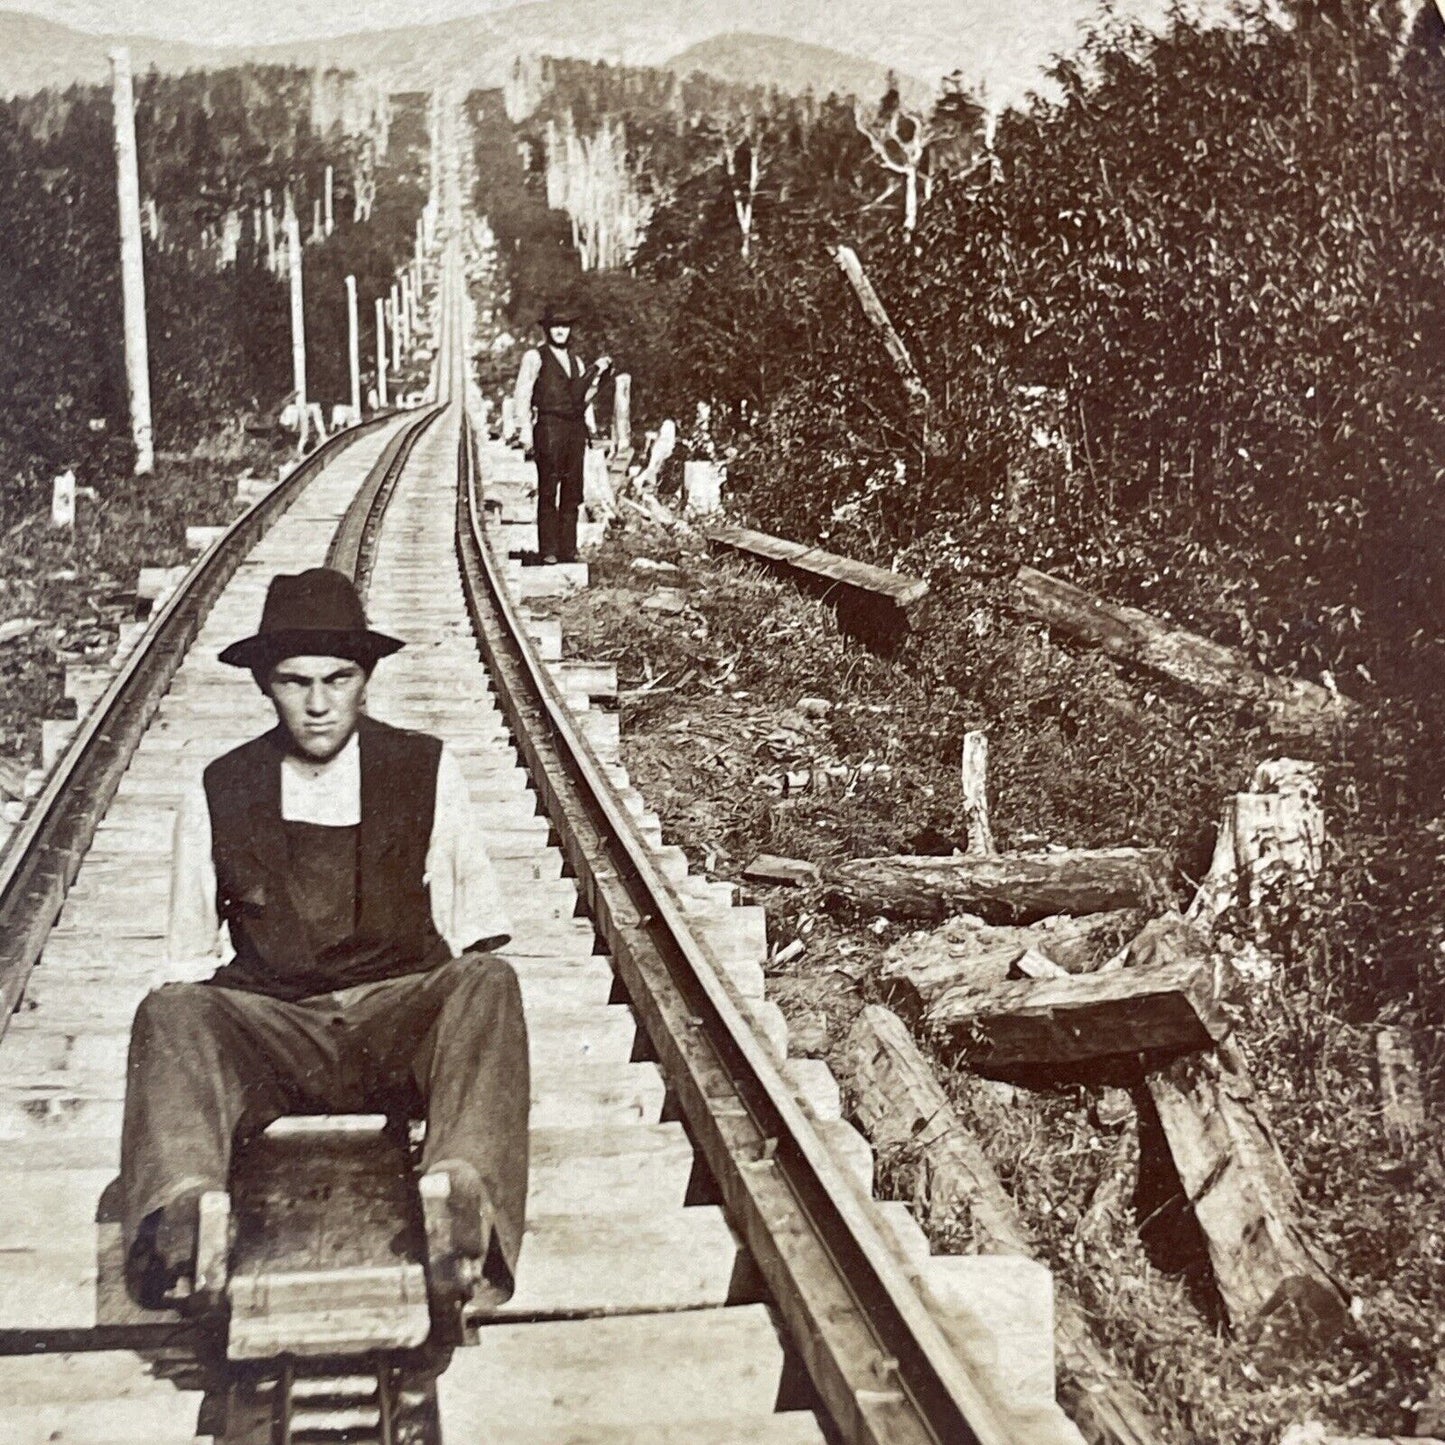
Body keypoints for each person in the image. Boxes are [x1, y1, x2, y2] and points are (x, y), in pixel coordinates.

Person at [119, 567, 529, 1317]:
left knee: (490, 982)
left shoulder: (427, 769)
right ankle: (187, 1208)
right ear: (263, 686)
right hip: (277, 1031)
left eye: (337, 679)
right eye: (293, 681)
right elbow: (185, 964)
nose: (316, 703)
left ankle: (461, 1196)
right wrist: (203, 1020)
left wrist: (447, 1005)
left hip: (395, 1023)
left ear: (364, 677)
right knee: (168, 1012)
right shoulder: (218, 787)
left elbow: (476, 935)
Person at [512, 302, 612, 565]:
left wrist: (599, 377)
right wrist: (524, 431)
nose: (560, 331)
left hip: (574, 429)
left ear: (570, 330)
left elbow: (582, 399)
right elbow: (522, 394)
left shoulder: (576, 361)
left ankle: (568, 550)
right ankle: (548, 550)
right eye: (555, 326)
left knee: (573, 490)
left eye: (564, 327)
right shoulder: (535, 357)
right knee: (548, 489)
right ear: (547, 329)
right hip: (548, 426)